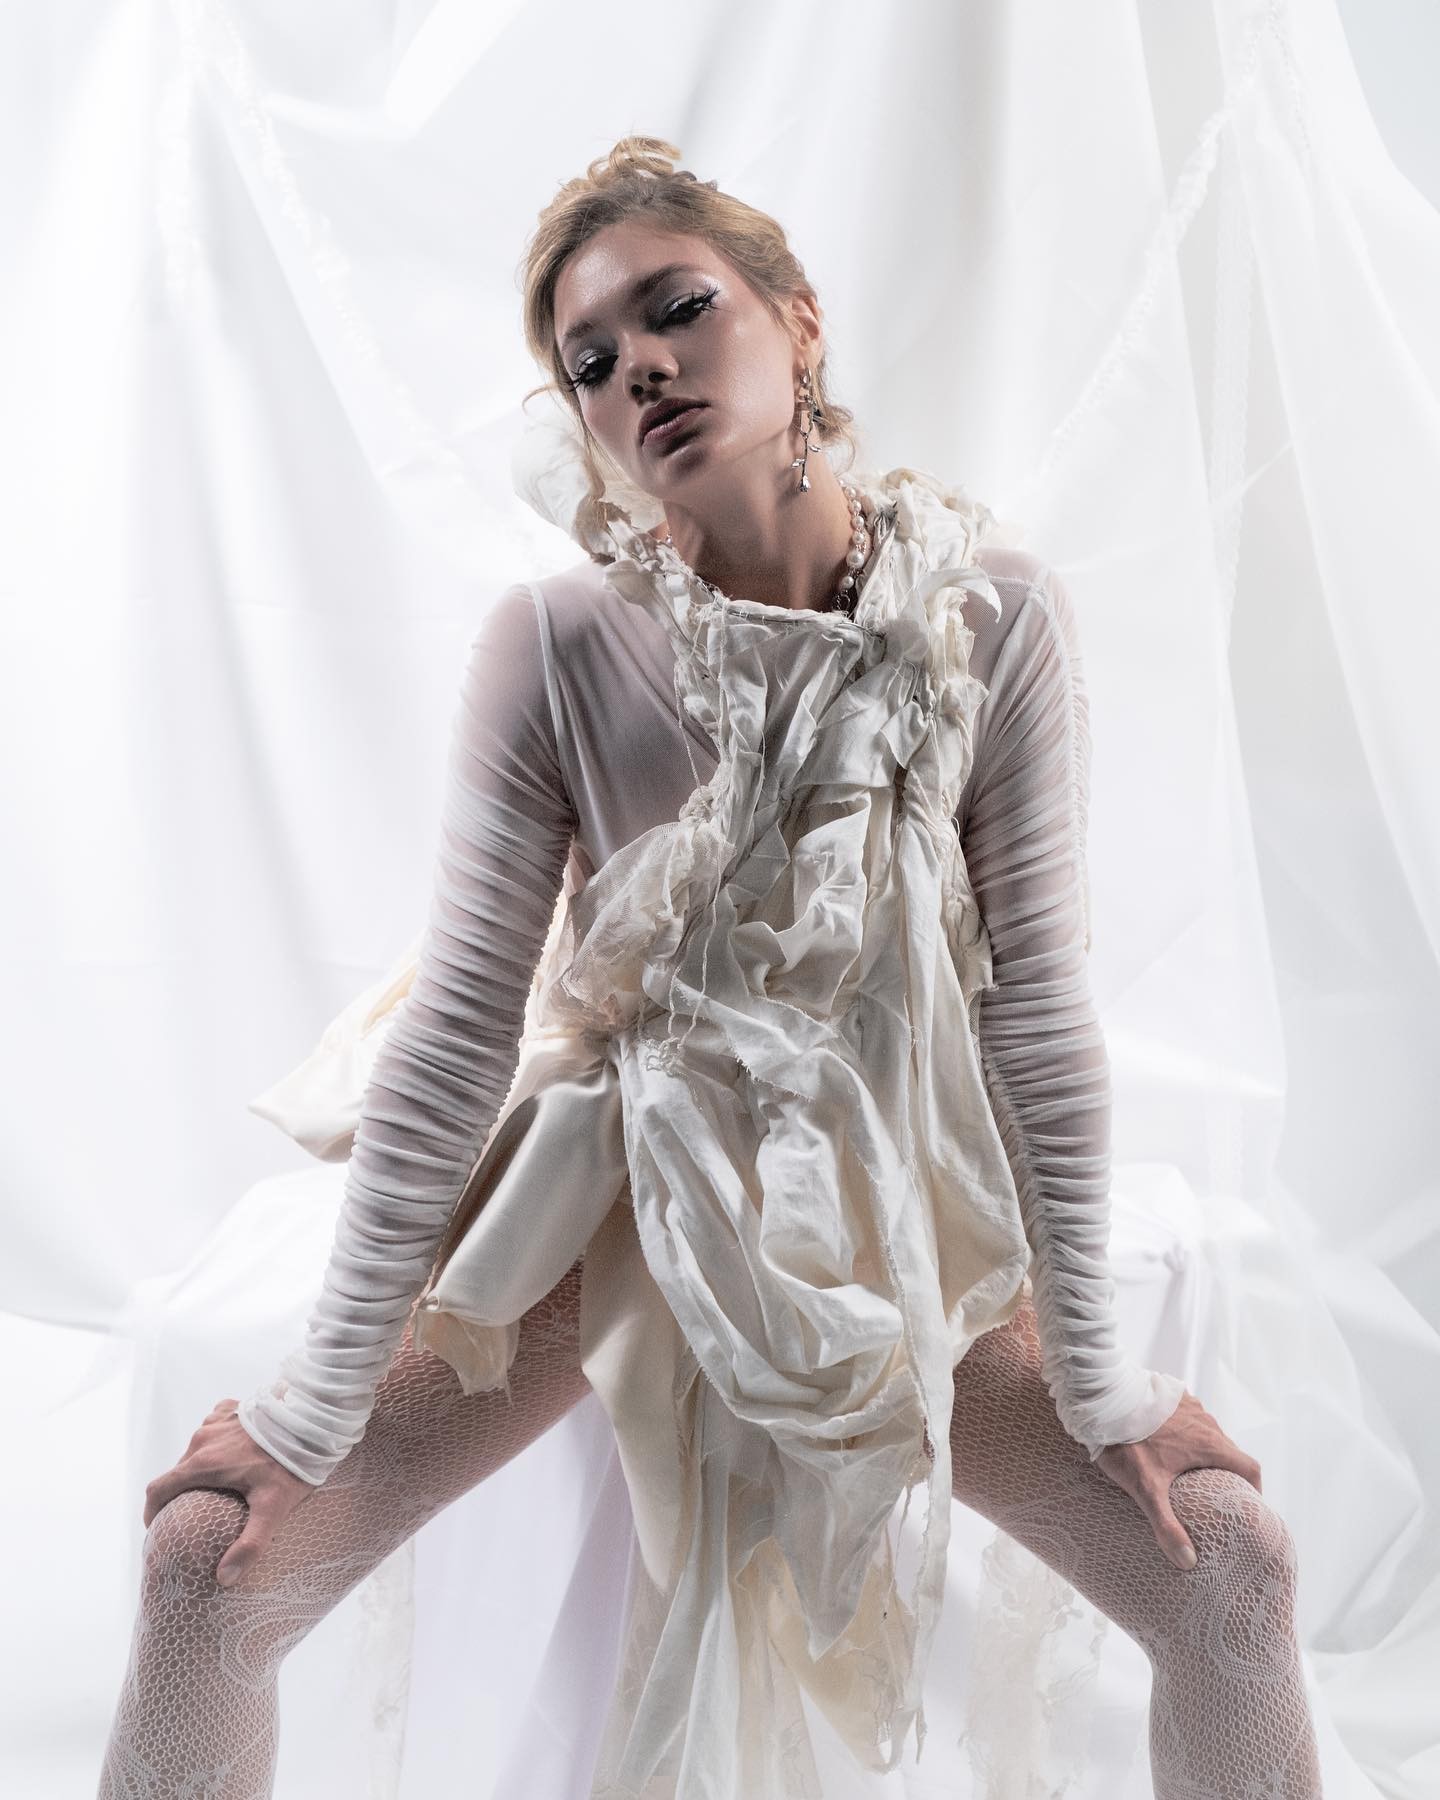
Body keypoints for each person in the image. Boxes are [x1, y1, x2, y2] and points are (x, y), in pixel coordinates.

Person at [97, 135, 1323, 1799]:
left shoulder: (996, 616)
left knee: (1233, 1568)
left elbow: (1036, 1010)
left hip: (885, 1216)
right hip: (614, 1214)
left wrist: (1101, 1385)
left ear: (798, 320)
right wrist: (311, 1416)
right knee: (201, 1568)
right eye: (591, 363)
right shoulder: (553, 643)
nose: (641, 371)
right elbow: (455, 1039)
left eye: (679, 310)